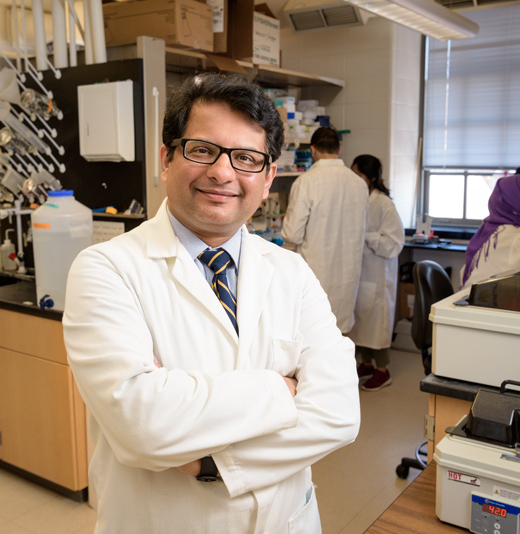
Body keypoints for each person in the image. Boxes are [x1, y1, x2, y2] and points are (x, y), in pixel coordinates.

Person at [63, 73, 360, 534]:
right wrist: (281, 389)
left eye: (246, 158)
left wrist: (211, 464)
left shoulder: (291, 272)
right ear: (166, 159)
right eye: (202, 150)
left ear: (267, 179)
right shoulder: (106, 269)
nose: (223, 172)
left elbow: (339, 413)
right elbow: (142, 423)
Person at [282, 127, 369, 334]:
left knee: (313, 335)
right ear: (339, 149)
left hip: (314, 274)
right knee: (338, 335)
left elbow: (292, 234)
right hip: (347, 275)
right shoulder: (359, 183)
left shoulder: (306, 182)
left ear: (312, 150)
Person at [345, 155, 405, 392]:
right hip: (359, 273)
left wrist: (366, 237)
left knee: (375, 324)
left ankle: (383, 370)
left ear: (370, 178)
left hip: (378, 275)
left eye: (358, 174)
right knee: (361, 322)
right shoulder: (356, 199)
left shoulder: (383, 204)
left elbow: (394, 243)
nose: (354, 179)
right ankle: (366, 363)